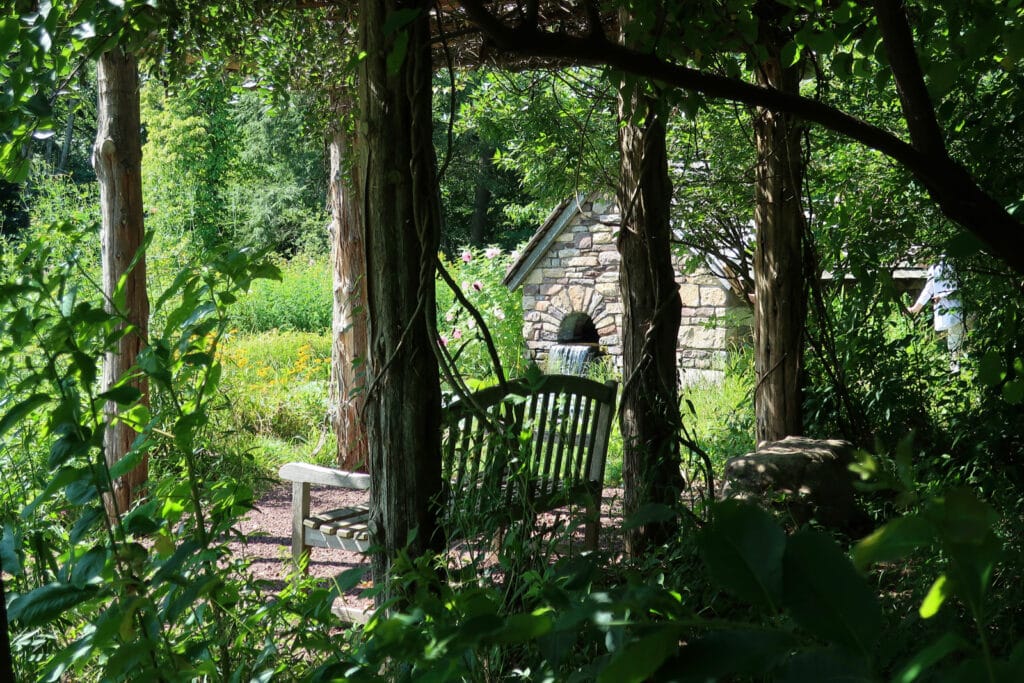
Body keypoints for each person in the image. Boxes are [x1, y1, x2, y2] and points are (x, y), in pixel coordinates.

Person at [909, 259, 965, 373]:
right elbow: (928, 290)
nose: (920, 264)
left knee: (956, 339)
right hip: (948, 309)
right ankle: (955, 368)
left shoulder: (946, 264)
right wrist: (916, 308)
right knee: (953, 340)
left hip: (955, 307)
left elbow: (956, 285)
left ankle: (957, 367)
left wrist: (941, 295)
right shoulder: (934, 268)